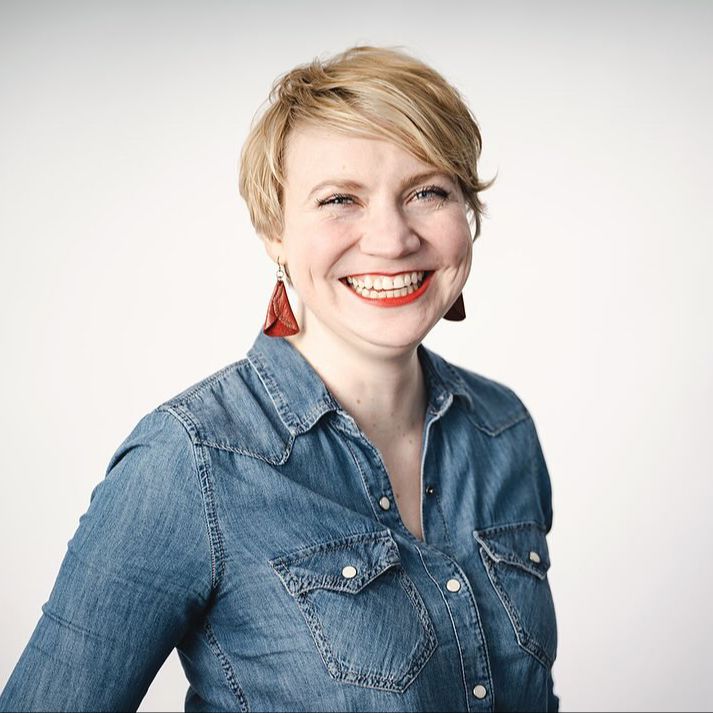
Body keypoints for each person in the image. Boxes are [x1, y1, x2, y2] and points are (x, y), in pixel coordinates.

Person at [0, 45, 559, 712]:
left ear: (465, 213)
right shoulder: (190, 461)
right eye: (339, 199)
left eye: (426, 192)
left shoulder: (502, 429)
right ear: (274, 231)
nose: (391, 239)